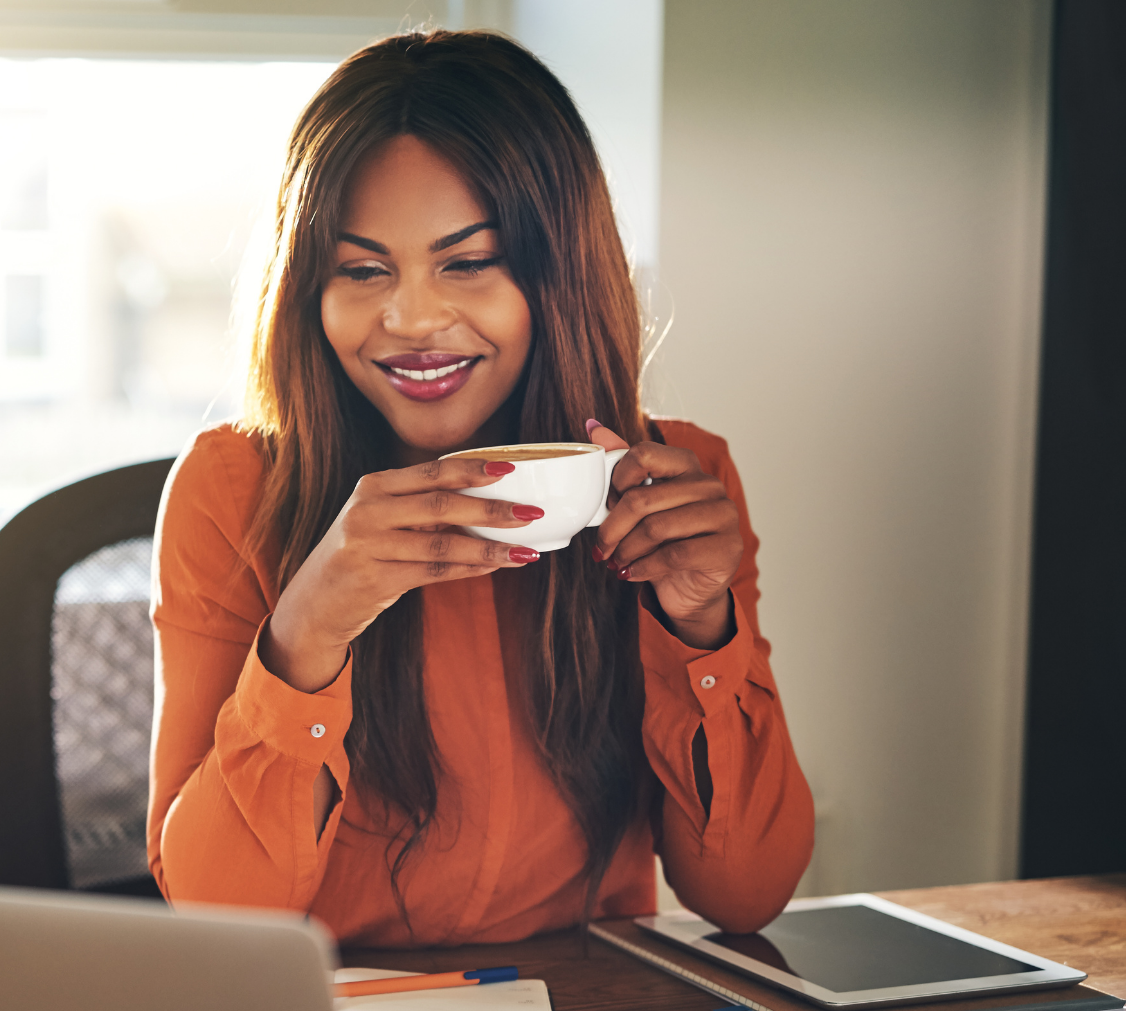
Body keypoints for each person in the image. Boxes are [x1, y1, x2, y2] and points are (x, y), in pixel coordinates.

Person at [146, 30, 813, 948]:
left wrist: (701, 626)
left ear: (560, 275)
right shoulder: (231, 491)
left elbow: (745, 894)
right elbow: (216, 920)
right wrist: (307, 632)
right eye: (360, 269)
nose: (411, 318)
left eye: (467, 262)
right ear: (309, 288)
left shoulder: (673, 480)